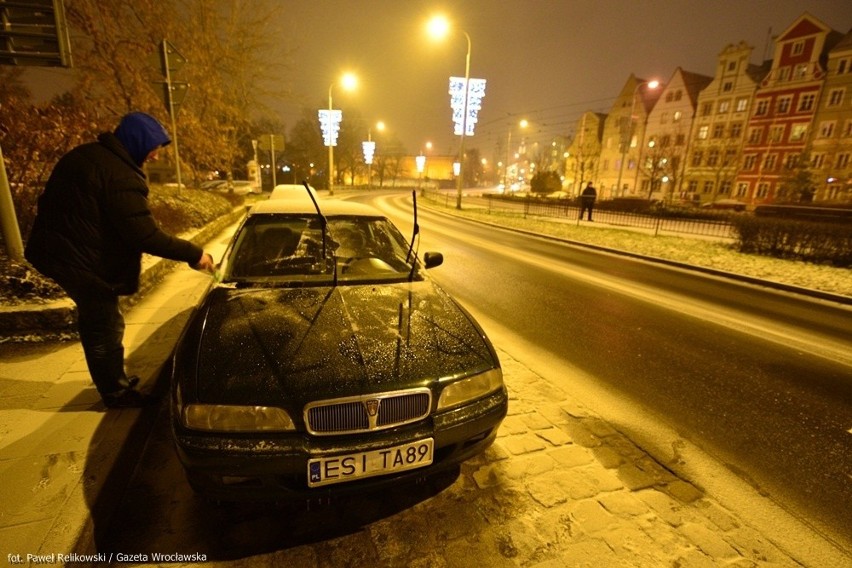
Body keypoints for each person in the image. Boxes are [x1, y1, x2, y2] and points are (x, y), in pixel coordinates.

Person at [25, 112, 216, 408]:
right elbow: (144, 234)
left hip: (60, 249)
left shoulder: (90, 155)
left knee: (102, 319)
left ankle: (114, 381)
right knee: (103, 323)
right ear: (137, 142)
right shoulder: (120, 174)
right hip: (77, 258)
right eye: (153, 147)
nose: (154, 156)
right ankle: (115, 392)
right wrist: (195, 254)